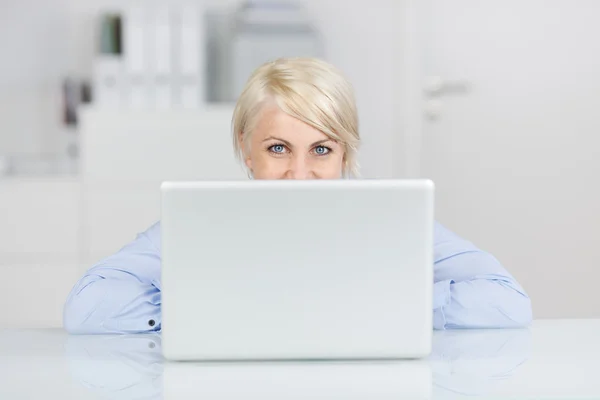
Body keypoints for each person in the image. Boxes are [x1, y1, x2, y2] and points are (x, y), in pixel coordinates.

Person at [63, 57, 532, 334]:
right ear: (247, 149)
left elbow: (507, 303)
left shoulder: (389, 220)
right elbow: (88, 307)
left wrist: (367, 305)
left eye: (321, 149)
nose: (300, 174)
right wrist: (224, 308)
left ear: (345, 153)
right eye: (278, 148)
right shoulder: (203, 222)